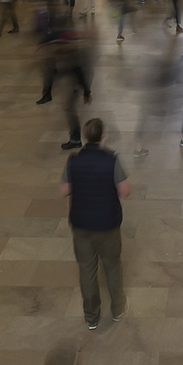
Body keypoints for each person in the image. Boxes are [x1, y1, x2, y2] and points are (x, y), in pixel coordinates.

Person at [62, 118, 129, 331]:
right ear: (102, 137)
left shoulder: (73, 160)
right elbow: (125, 191)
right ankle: (118, 309)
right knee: (112, 266)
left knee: (87, 270)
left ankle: (91, 316)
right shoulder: (111, 160)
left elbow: (64, 190)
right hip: (107, 224)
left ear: (84, 137)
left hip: (81, 226)